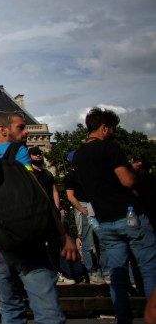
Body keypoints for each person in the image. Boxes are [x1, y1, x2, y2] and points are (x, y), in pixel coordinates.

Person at [0, 112, 76, 324]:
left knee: (10, 308)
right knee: (46, 307)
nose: (26, 131)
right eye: (21, 127)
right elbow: (40, 194)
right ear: (3, 130)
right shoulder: (19, 151)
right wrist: (62, 233)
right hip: (27, 236)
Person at [74, 108, 156, 324]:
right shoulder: (109, 147)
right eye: (113, 129)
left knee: (117, 273)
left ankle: (123, 318)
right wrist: (134, 171)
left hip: (104, 220)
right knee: (149, 269)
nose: (114, 133)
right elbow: (127, 181)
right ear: (104, 127)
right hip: (128, 214)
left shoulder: (79, 155)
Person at [27, 146, 73, 285]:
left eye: (40, 154)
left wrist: (57, 209)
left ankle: (58, 272)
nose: (39, 156)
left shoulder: (47, 173)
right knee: (43, 244)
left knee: (54, 243)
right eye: (35, 155)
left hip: (52, 211)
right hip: (39, 213)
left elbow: (55, 191)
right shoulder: (30, 173)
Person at [64, 151, 105, 284]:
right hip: (84, 208)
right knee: (87, 241)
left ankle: (105, 270)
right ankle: (92, 272)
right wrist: (83, 210)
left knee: (101, 240)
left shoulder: (90, 174)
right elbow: (70, 196)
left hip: (93, 207)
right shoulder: (71, 176)